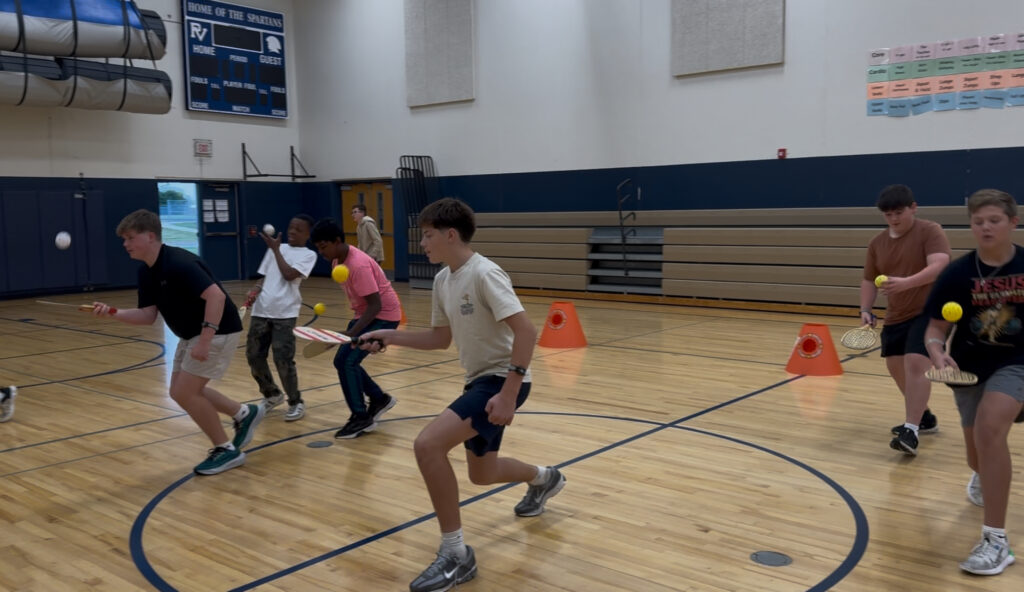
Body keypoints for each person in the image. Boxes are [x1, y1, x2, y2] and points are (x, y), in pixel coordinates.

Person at [358, 197, 566, 592]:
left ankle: (456, 554)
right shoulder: (443, 279)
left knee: (427, 446)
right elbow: (440, 340)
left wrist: (508, 394)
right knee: (482, 474)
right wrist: (390, 335)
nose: (423, 243)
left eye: (428, 235)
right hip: (479, 383)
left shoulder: (484, 274)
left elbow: (526, 330)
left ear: (450, 234)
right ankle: (544, 478)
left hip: (502, 381)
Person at [92, 209, 264, 475]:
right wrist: (113, 313)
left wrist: (205, 341)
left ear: (150, 236)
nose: (125, 244)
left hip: (218, 329)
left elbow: (216, 298)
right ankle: (243, 413)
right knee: (181, 390)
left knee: (186, 392)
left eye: (129, 238)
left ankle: (226, 450)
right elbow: (148, 316)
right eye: (123, 239)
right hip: (190, 332)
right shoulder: (146, 272)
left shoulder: (178, 263)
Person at [924, 188, 1024, 576]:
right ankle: (983, 475)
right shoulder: (958, 274)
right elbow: (935, 330)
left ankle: (995, 542)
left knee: (989, 427)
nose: (985, 227)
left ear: (1012, 223)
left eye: (993, 220)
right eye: (978, 221)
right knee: (977, 454)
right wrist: (936, 351)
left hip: (1017, 362)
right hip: (968, 369)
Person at [860, 184, 951, 456]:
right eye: (888, 214)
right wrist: (865, 308)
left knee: (915, 361)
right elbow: (868, 279)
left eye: (899, 212)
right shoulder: (877, 243)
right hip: (896, 314)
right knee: (896, 367)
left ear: (913, 208)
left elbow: (939, 264)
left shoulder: (930, 231)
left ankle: (910, 431)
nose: (894, 218)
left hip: (931, 311)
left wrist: (906, 283)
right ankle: (923, 417)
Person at [310, 218, 401, 438]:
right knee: (342, 360)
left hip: (384, 316)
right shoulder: (337, 262)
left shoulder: (357, 265)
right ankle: (379, 399)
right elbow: (361, 302)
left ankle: (361, 418)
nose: (321, 252)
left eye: (324, 247)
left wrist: (351, 333)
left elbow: (375, 304)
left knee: (348, 361)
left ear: (337, 241)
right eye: (318, 248)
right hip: (366, 314)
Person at [245, 214, 318, 422]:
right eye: (291, 227)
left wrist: (276, 250)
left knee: (282, 359)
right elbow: (266, 275)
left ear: (308, 234)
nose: (292, 232)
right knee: (253, 356)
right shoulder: (277, 248)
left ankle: (295, 402)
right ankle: (272, 394)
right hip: (261, 310)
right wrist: (255, 289)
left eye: (298, 229)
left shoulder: (308, 255)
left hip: (285, 314)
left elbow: (288, 274)